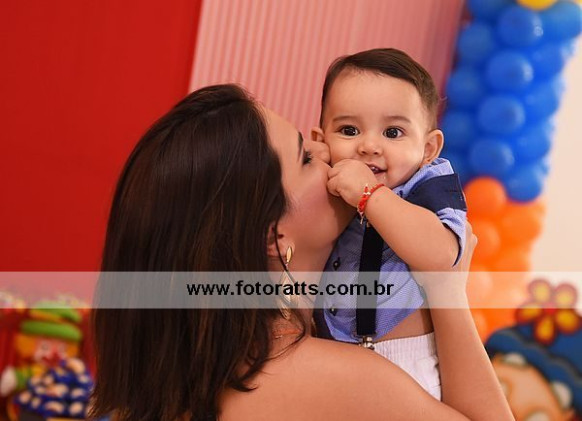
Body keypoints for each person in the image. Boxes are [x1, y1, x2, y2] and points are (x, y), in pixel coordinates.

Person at [90, 84, 512, 421]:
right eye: (306, 157)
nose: (328, 152)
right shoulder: (337, 381)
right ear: (272, 238)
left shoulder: (191, 378)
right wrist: (446, 291)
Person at [312, 48, 466, 398]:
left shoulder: (427, 184)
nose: (369, 146)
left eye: (393, 132)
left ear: (428, 149)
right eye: (349, 130)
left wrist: (371, 196)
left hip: (403, 361)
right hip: (332, 350)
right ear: (322, 141)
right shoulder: (327, 179)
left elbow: (442, 254)